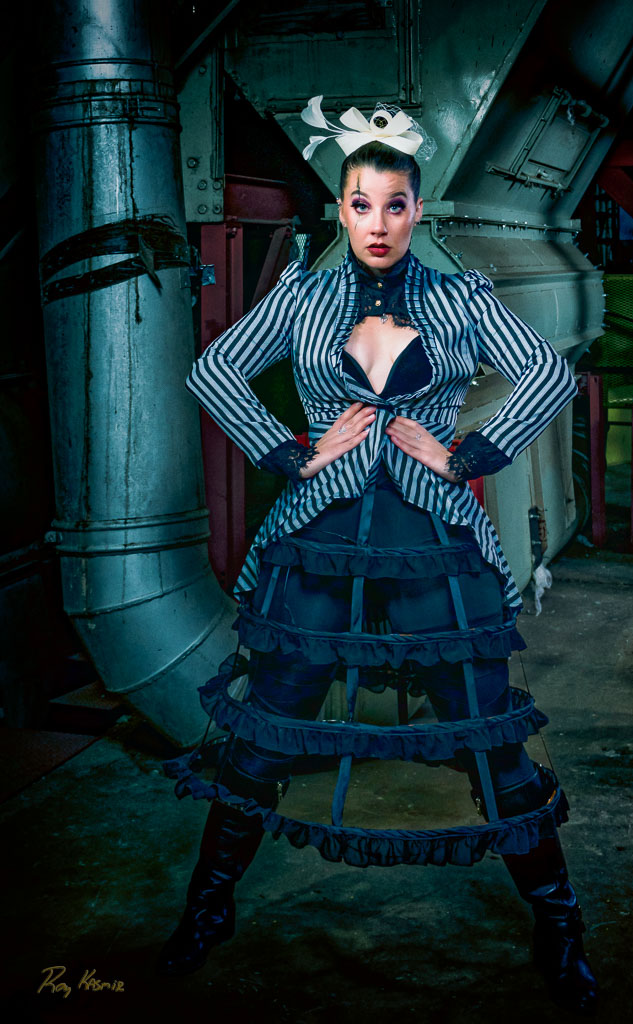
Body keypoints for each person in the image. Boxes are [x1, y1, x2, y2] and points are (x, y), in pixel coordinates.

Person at [159, 98, 598, 1015]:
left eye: (395, 206)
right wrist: (289, 452)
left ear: (417, 211)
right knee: (267, 731)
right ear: (342, 209)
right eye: (361, 205)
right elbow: (212, 371)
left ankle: (559, 926)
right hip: (317, 543)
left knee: (486, 736)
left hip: (434, 545)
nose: (378, 223)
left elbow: (549, 375)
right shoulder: (303, 298)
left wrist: (467, 455)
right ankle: (207, 908)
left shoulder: (459, 297)